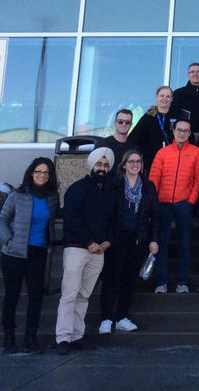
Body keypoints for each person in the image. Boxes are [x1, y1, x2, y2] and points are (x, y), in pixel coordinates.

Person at [55, 148, 116, 355]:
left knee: (84, 295)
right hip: (77, 249)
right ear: (91, 165)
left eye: (106, 165)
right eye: (99, 164)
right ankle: (62, 337)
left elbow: (112, 219)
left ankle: (76, 336)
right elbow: (71, 218)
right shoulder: (77, 188)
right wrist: (89, 241)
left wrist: (107, 241)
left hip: (99, 252)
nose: (102, 168)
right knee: (69, 294)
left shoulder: (109, 191)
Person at [0, 157, 58, 354]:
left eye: (46, 172)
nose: (42, 175)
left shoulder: (52, 197)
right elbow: (2, 220)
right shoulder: (18, 195)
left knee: (36, 297)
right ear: (31, 173)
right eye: (38, 171)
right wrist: (8, 240)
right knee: (12, 296)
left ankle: (30, 337)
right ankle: (9, 337)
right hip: (14, 253)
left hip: (39, 253)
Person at [98, 148, 158, 333]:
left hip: (137, 239)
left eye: (138, 161)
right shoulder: (114, 184)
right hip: (116, 237)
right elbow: (106, 213)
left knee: (129, 279)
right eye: (131, 161)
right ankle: (106, 318)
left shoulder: (148, 186)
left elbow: (154, 215)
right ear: (124, 165)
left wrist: (153, 240)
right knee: (111, 278)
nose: (134, 165)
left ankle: (122, 316)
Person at [149, 118, 199, 294]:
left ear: (190, 133)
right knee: (161, 244)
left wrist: (191, 201)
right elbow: (154, 178)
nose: (182, 133)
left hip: (184, 204)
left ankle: (181, 281)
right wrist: (153, 202)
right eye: (179, 130)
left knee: (184, 244)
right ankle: (161, 282)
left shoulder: (196, 152)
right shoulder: (162, 153)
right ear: (173, 131)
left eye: (186, 130)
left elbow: (198, 180)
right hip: (163, 204)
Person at [127, 85, 177, 170]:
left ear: (172, 99)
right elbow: (133, 139)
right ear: (157, 97)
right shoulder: (148, 117)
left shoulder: (176, 117)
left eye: (168, 96)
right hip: (152, 163)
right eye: (162, 96)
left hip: (172, 162)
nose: (164, 99)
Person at [172, 62, 199, 139]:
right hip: (184, 135)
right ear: (188, 75)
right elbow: (173, 115)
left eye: (198, 72)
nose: (195, 74)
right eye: (192, 72)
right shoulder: (178, 93)